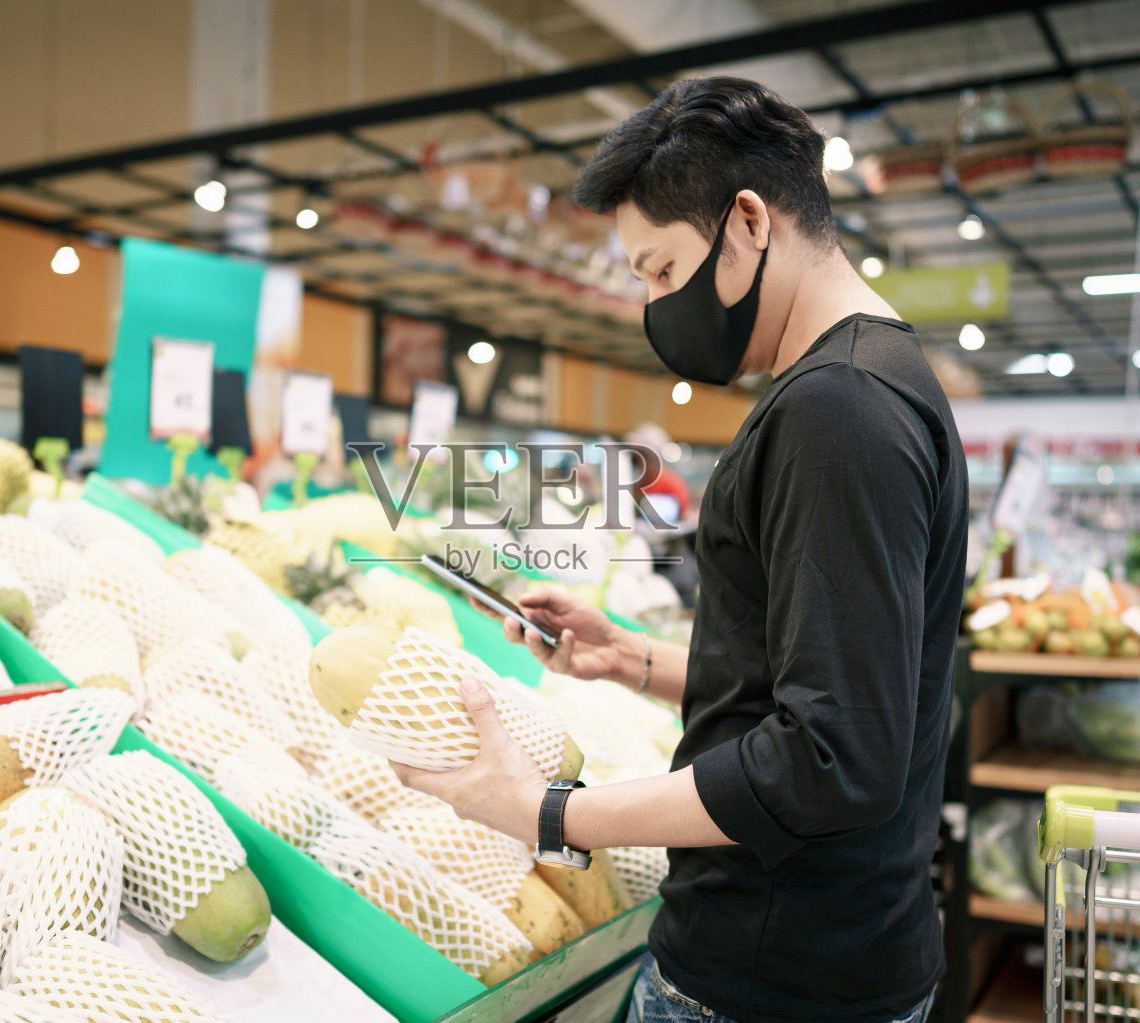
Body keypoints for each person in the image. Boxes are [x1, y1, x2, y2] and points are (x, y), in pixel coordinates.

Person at [393, 77, 969, 1023]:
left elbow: (828, 756)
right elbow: (848, 686)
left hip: (771, 976)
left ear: (748, 221)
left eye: (662, 270)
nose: (657, 304)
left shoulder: (840, 409)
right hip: (828, 956)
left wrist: (555, 812)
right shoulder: (868, 380)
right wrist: (639, 658)